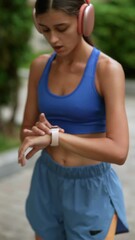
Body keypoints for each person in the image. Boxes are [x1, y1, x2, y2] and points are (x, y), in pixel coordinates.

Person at [18, 0, 129, 239]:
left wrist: (56, 138)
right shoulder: (40, 66)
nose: (53, 39)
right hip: (47, 180)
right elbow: (26, 133)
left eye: (61, 28)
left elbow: (119, 151)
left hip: (90, 188)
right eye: (45, 30)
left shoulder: (107, 69)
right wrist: (35, 136)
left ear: (84, 21)